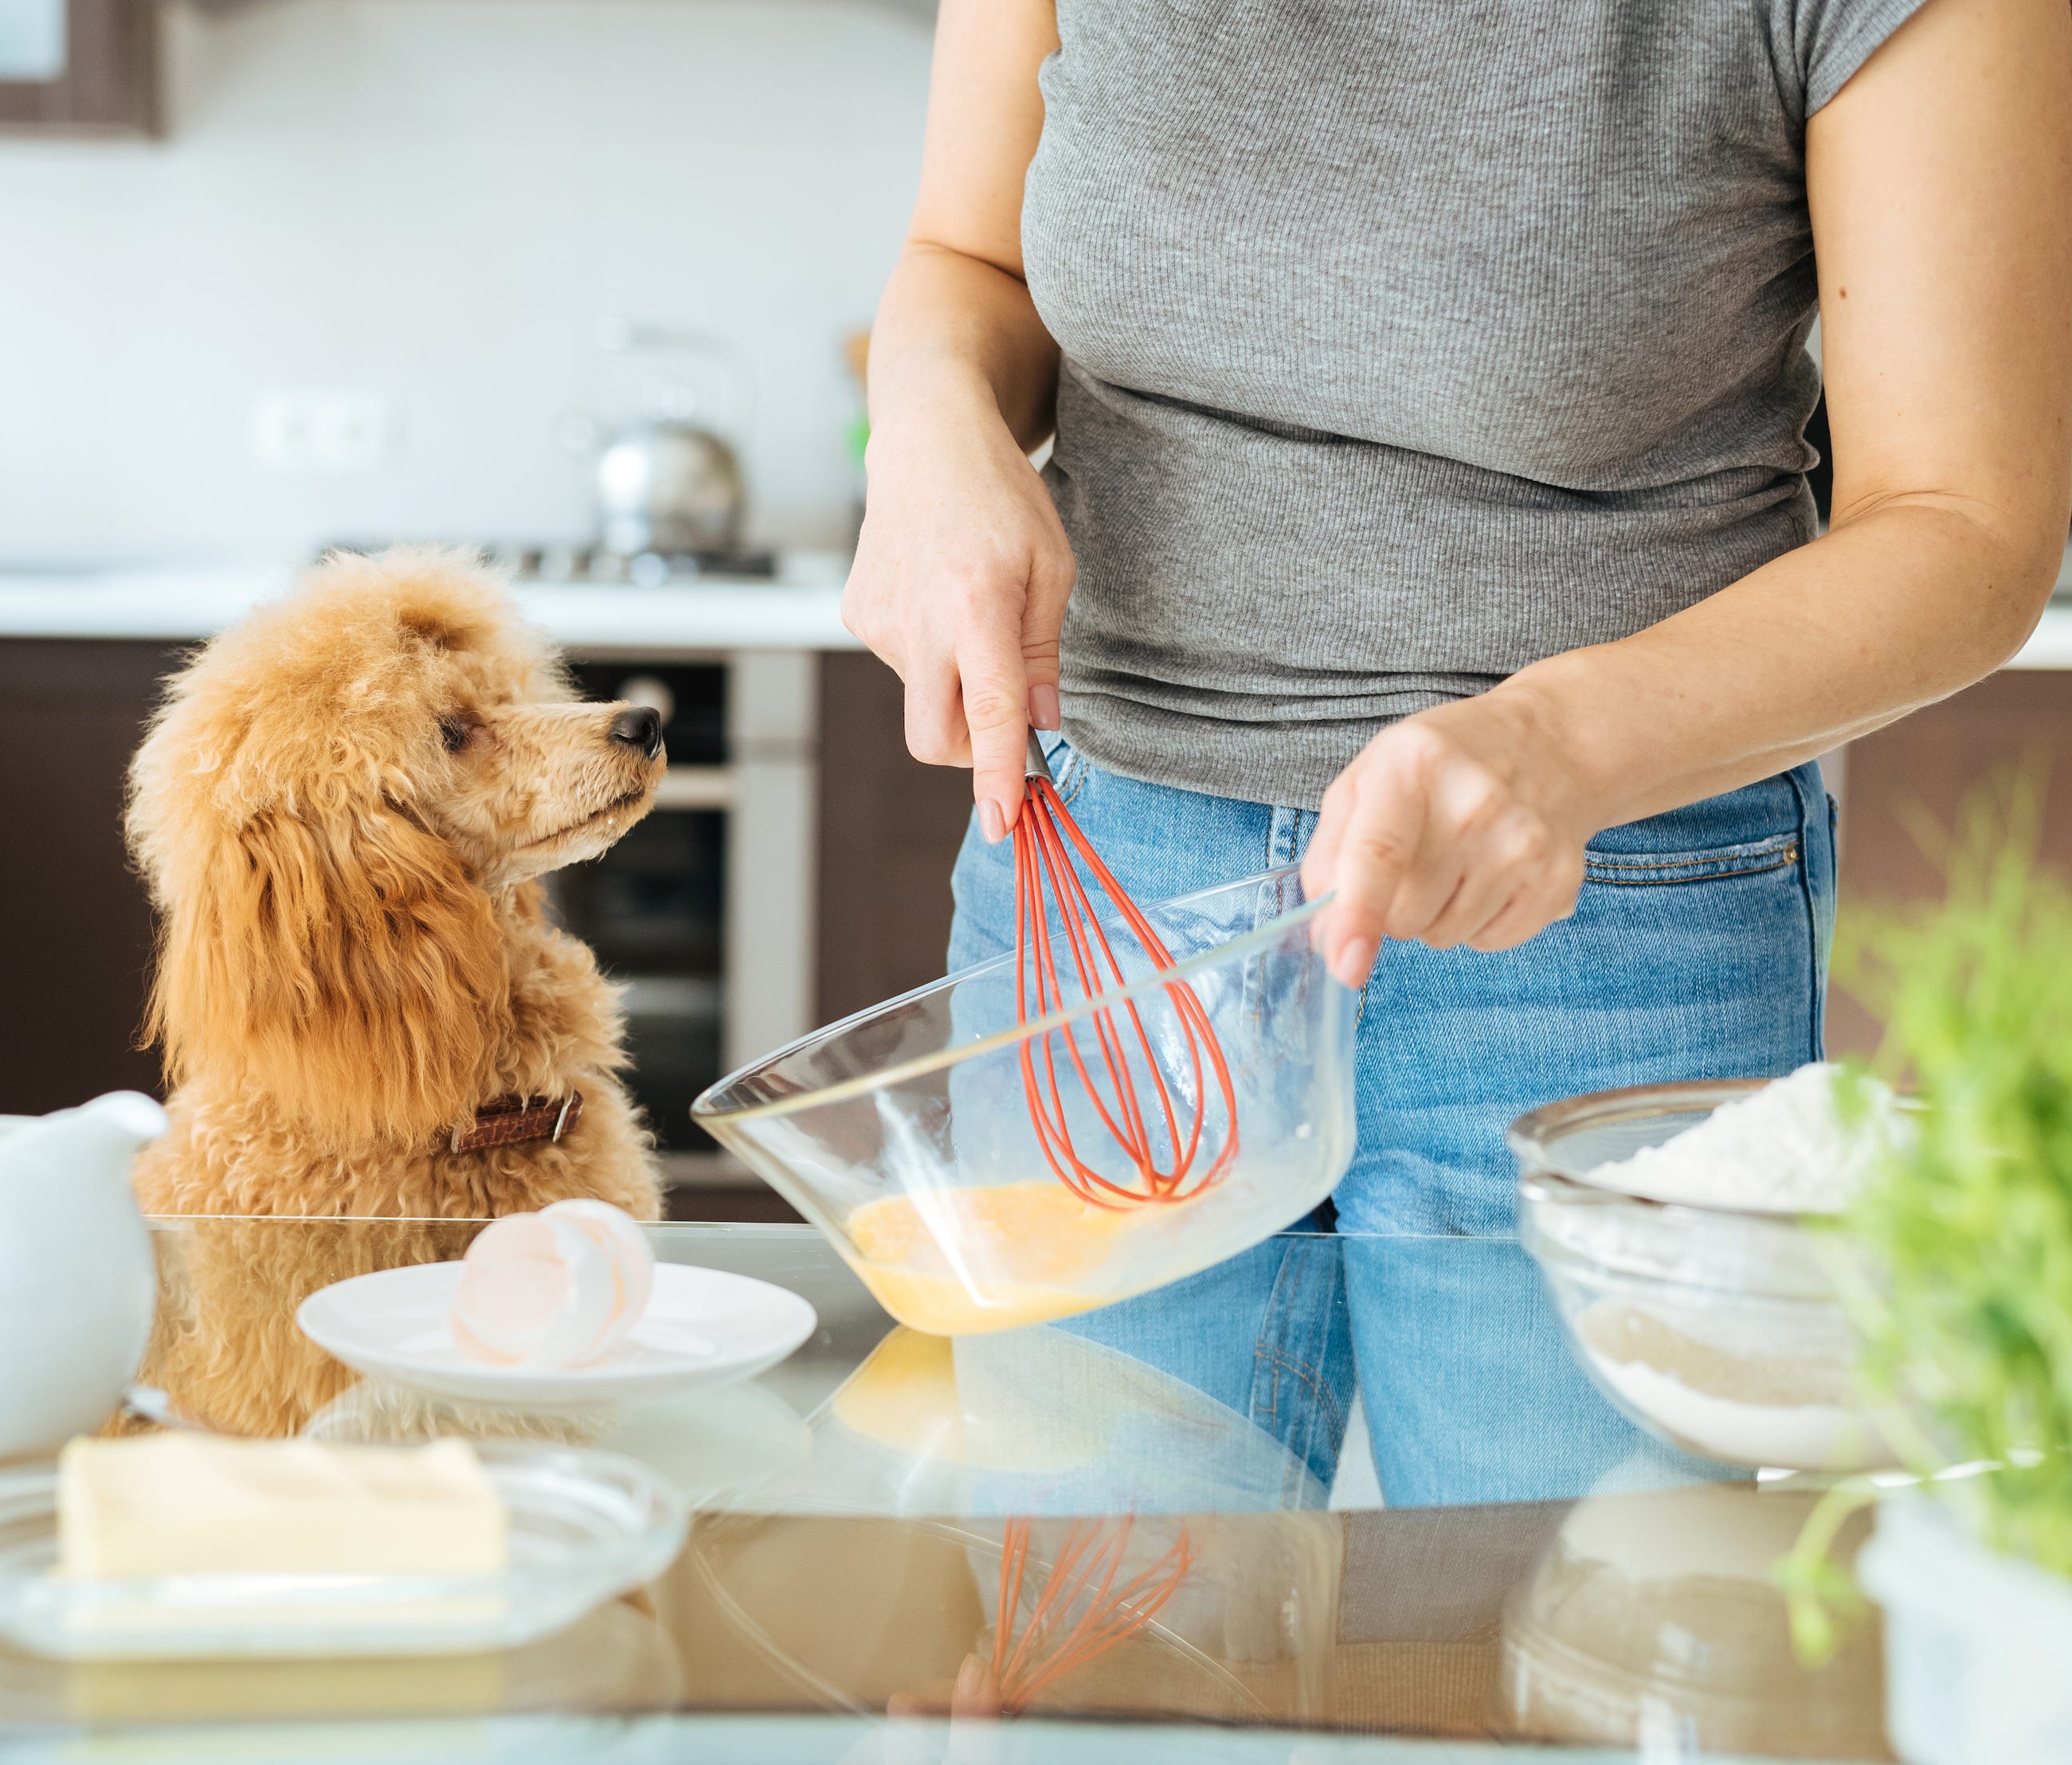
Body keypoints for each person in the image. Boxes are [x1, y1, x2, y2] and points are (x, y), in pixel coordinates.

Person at [844, 0, 2072, 1502]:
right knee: (1096, 1673)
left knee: (1566, 1672)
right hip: (1104, 895)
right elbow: (971, 265)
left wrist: (1560, 744)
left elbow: (1971, 523)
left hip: (1605, 905)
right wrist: (926, 418)